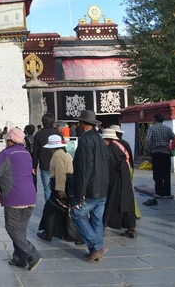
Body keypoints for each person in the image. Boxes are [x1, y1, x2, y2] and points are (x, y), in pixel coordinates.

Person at [0, 128, 42, 272]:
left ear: (10, 140)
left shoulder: (6, 153)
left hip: (15, 197)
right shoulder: (26, 153)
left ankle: (33, 254)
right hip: (30, 196)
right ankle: (19, 258)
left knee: (12, 228)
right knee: (20, 230)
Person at [70, 110, 110, 262]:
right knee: (96, 219)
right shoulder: (100, 139)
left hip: (91, 187)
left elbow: (85, 168)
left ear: (82, 124)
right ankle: (95, 251)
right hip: (103, 186)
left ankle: (96, 245)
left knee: (77, 214)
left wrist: (80, 191)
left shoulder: (86, 140)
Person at [37, 135, 82, 245]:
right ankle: (55, 233)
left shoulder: (57, 155)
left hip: (61, 184)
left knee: (50, 208)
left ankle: (48, 233)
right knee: (61, 209)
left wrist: (60, 189)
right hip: (68, 183)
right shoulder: (65, 153)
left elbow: (60, 173)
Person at [102, 129, 137, 239]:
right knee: (126, 202)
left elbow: (110, 164)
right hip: (124, 176)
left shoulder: (111, 148)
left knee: (112, 200)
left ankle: (103, 224)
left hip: (117, 178)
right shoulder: (119, 146)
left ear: (107, 139)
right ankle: (131, 228)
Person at [109, 125, 140, 218]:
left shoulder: (114, 145)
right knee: (128, 192)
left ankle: (131, 213)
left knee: (125, 193)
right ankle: (134, 213)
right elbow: (130, 157)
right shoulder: (125, 143)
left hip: (122, 170)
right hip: (129, 168)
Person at [145, 113, 175, 203]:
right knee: (166, 174)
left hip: (156, 153)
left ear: (155, 119)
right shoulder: (167, 129)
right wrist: (171, 149)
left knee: (157, 174)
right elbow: (174, 139)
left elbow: (147, 140)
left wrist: (148, 150)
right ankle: (167, 193)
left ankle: (159, 193)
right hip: (166, 153)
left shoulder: (152, 128)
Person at [32, 113, 62, 202]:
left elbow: (35, 151)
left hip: (44, 165)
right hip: (57, 164)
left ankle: (49, 209)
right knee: (58, 188)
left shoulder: (39, 134)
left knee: (47, 189)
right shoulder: (57, 133)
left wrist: (34, 166)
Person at [23, 125, 37, 190]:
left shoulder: (25, 138)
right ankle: (34, 187)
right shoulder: (35, 138)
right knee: (34, 172)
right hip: (34, 157)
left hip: (27, 157)